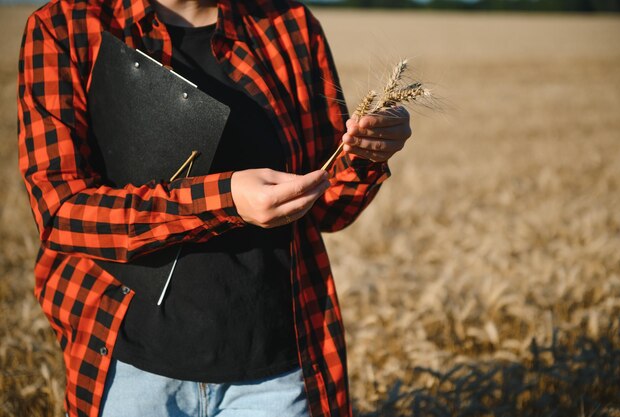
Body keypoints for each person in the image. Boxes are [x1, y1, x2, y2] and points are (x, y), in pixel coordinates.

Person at [16, 0, 412, 416]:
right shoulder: (67, 27)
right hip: (131, 368)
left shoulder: (288, 25)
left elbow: (330, 210)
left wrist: (366, 154)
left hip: (274, 375)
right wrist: (226, 199)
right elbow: (62, 210)